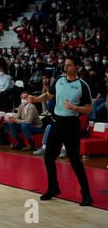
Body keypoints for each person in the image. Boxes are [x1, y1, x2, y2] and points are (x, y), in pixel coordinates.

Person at [29, 56, 93, 206]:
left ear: (76, 67)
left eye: (69, 65)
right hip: (56, 124)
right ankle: (53, 188)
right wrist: (37, 99)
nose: (66, 67)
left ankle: (87, 194)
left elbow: (89, 108)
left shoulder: (82, 85)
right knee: (48, 158)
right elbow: (49, 95)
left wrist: (75, 108)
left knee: (75, 161)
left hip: (71, 126)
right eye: (65, 65)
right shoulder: (59, 80)